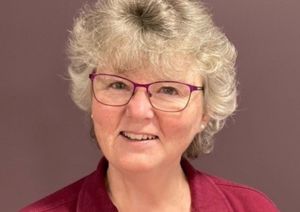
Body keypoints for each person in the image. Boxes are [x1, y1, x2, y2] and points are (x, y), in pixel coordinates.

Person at [21, 0, 279, 211]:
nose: (138, 111)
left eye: (168, 90)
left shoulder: (252, 208)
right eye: (118, 85)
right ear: (91, 98)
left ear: (205, 112)